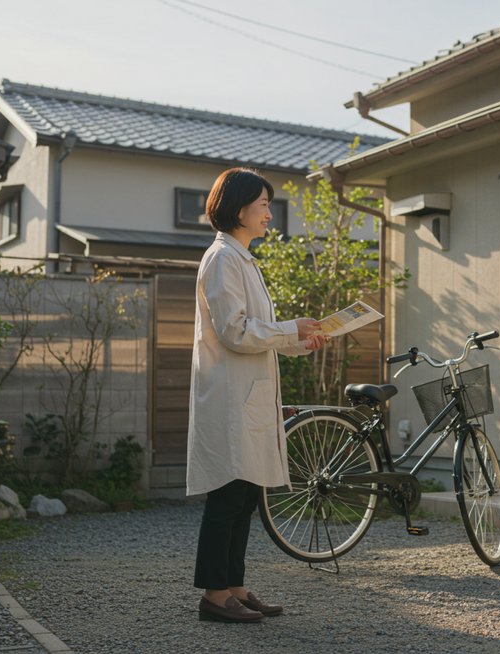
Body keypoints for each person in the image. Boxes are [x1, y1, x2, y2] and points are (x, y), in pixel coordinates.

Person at [186, 167, 327, 623]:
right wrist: (289, 329)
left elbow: (256, 332)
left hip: (245, 393)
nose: (270, 212)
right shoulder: (223, 258)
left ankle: (235, 586)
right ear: (238, 207)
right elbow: (234, 332)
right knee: (228, 493)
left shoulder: (241, 258)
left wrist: (301, 338)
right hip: (229, 396)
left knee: (245, 494)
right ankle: (213, 594)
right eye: (263, 204)